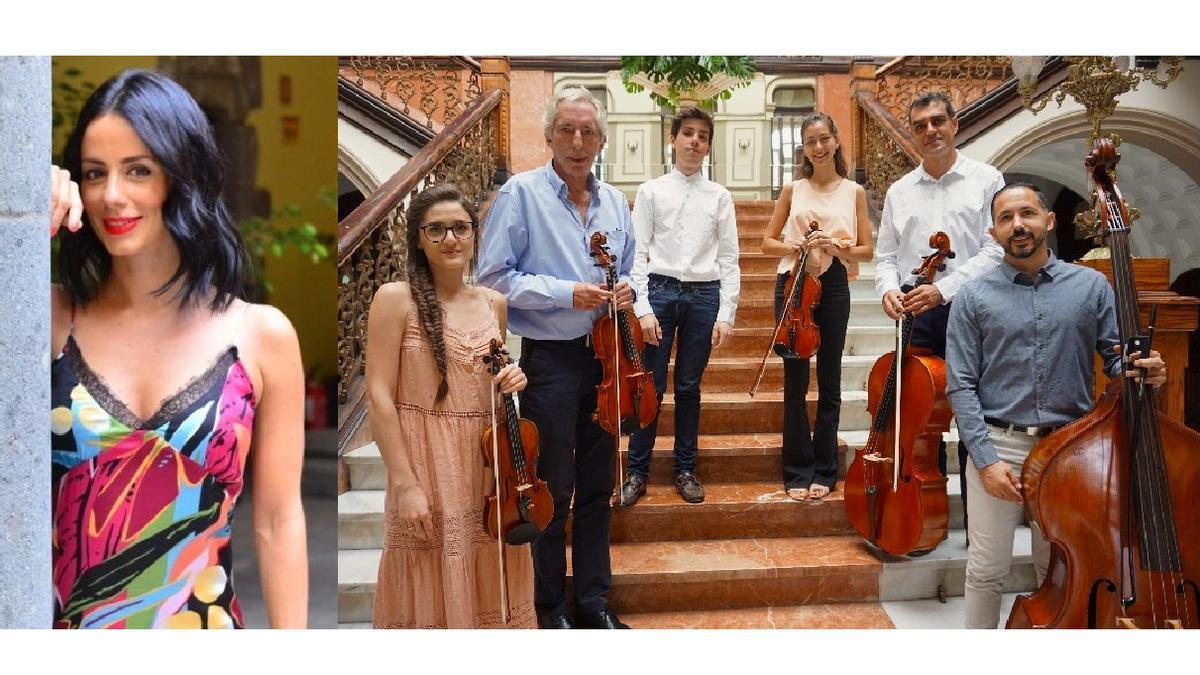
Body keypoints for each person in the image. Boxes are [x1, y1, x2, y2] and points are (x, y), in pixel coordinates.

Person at [47, 69, 307, 628]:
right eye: (94, 174)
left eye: (138, 170)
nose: (112, 195)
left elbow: (280, 519)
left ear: (181, 175)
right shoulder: (45, 320)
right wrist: (19, 223)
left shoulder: (262, 335)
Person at [945, 182, 1167, 628]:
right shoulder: (973, 295)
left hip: (1071, 450)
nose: (1017, 225)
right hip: (999, 445)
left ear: (1049, 221)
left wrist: (1146, 371)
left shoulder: (1090, 286)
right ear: (993, 233)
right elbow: (961, 385)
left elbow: (1116, 358)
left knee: (1059, 569)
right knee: (986, 571)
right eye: (1006, 218)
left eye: (1026, 213)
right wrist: (985, 461)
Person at [477, 88, 633, 629]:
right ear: (547, 136)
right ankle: (547, 610)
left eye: (588, 131)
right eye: (566, 129)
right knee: (553, 490)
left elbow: (629, 268)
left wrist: (629, 291)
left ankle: (592, 603)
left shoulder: (615, 202)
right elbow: (493, 280)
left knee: (597, 488)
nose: (577, 141)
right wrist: (566, 293)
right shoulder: (519, 194)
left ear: (602, 140)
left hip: (608, 361)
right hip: (550, 361)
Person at [365, 184, 535, 629]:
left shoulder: (493, 303)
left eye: (460, 227)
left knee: (488, 583)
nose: (450, 239)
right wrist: (404, 484)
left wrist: (510, 383)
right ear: (418, 239)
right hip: (426, 465)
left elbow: (489, 392)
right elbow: (379, 397)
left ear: (475, 234)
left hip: (484, 471)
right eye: (435, 230)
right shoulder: (393, 298)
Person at [874, 91, 1007, 513]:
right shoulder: (899, 190)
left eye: (937, 121)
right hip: (915, 312)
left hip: (971, 311)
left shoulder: (987, 179)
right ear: (913, 135)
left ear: (955, 124)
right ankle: (919, 513)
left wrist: (943, 290)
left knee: (974, 419)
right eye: (920, 125)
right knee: (914, 420)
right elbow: (886, 257)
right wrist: (887, 289)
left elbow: (996, 250)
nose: (930, 130)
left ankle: (978, 523)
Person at [618, 106, 740, 506]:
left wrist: (726, 313)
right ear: (673, 139)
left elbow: (728, 259)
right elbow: (636, 255)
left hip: (704, 296)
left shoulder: (720, 196)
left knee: (689, 387)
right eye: (687, 133)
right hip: (661, 291)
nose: (694, 141)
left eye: (702, 136)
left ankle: (686, 468)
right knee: (648, 387)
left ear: (707, 146)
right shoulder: (652, 191)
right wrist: (643, 309)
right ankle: (637, 472)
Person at [762, 112, 873, 501]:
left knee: (829, 380)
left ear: (836, 141)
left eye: (824, 138)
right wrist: (798, 245)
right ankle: (795, 471)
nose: (819, 147)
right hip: (793, 283)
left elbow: (867, 250)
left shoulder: (853, 192)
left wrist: (835, 245)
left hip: (834, 284)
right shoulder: (793, 190)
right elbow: (767, 242)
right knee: (795, 382)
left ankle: (825, 470)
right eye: (811, 141)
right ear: (804, 148)